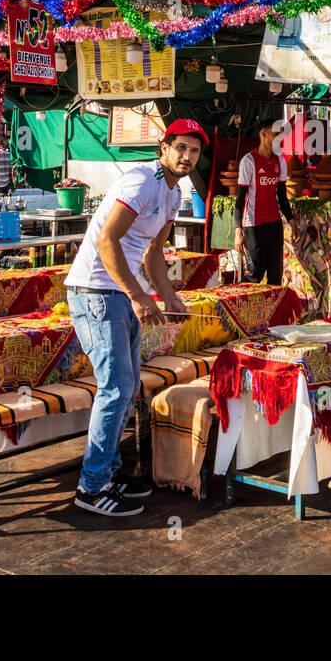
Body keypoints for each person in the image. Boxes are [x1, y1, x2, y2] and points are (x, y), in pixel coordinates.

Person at [64, 118, 206, 517]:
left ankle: (106, 475)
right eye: (180, 148)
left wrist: (170, 297)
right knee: (115, 387)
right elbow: (108, 240)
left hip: (120, 294)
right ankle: (91, 488)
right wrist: (137, 294)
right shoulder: (141, 181)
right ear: (164, 147)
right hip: (96, 292)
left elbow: (152, 254)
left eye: (194, 151)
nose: (187, 157)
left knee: (125, 389)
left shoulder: (174, 194)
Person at [234, 117, 298, 284]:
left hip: (274, 222)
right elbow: (240, 199)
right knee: (255, 273)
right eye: (276, 135)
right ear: (263, 134)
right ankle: (240, 305)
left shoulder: (281, 161)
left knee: (275, 274)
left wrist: (291, 221)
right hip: (253, 223)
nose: (280, 140)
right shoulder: (249, 161)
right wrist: (237, 232)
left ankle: (273, 309)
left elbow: (282, 196)